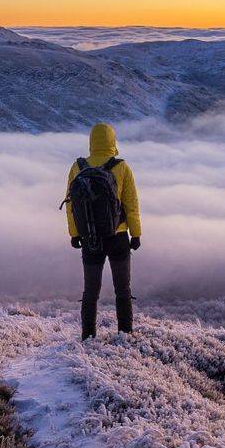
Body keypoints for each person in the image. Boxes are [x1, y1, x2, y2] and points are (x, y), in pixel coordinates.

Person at [64, 122, 141, 339]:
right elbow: (131, 204)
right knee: (123, 289)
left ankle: (88, 336)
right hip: (118, 236)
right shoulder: (122, 167)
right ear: (112, 141)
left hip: (90, 237)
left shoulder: (77, 167)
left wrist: (74, 233)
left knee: (90, 291)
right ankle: (125, 334)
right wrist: (135, 234)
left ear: (91, 142)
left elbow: (71, 205)